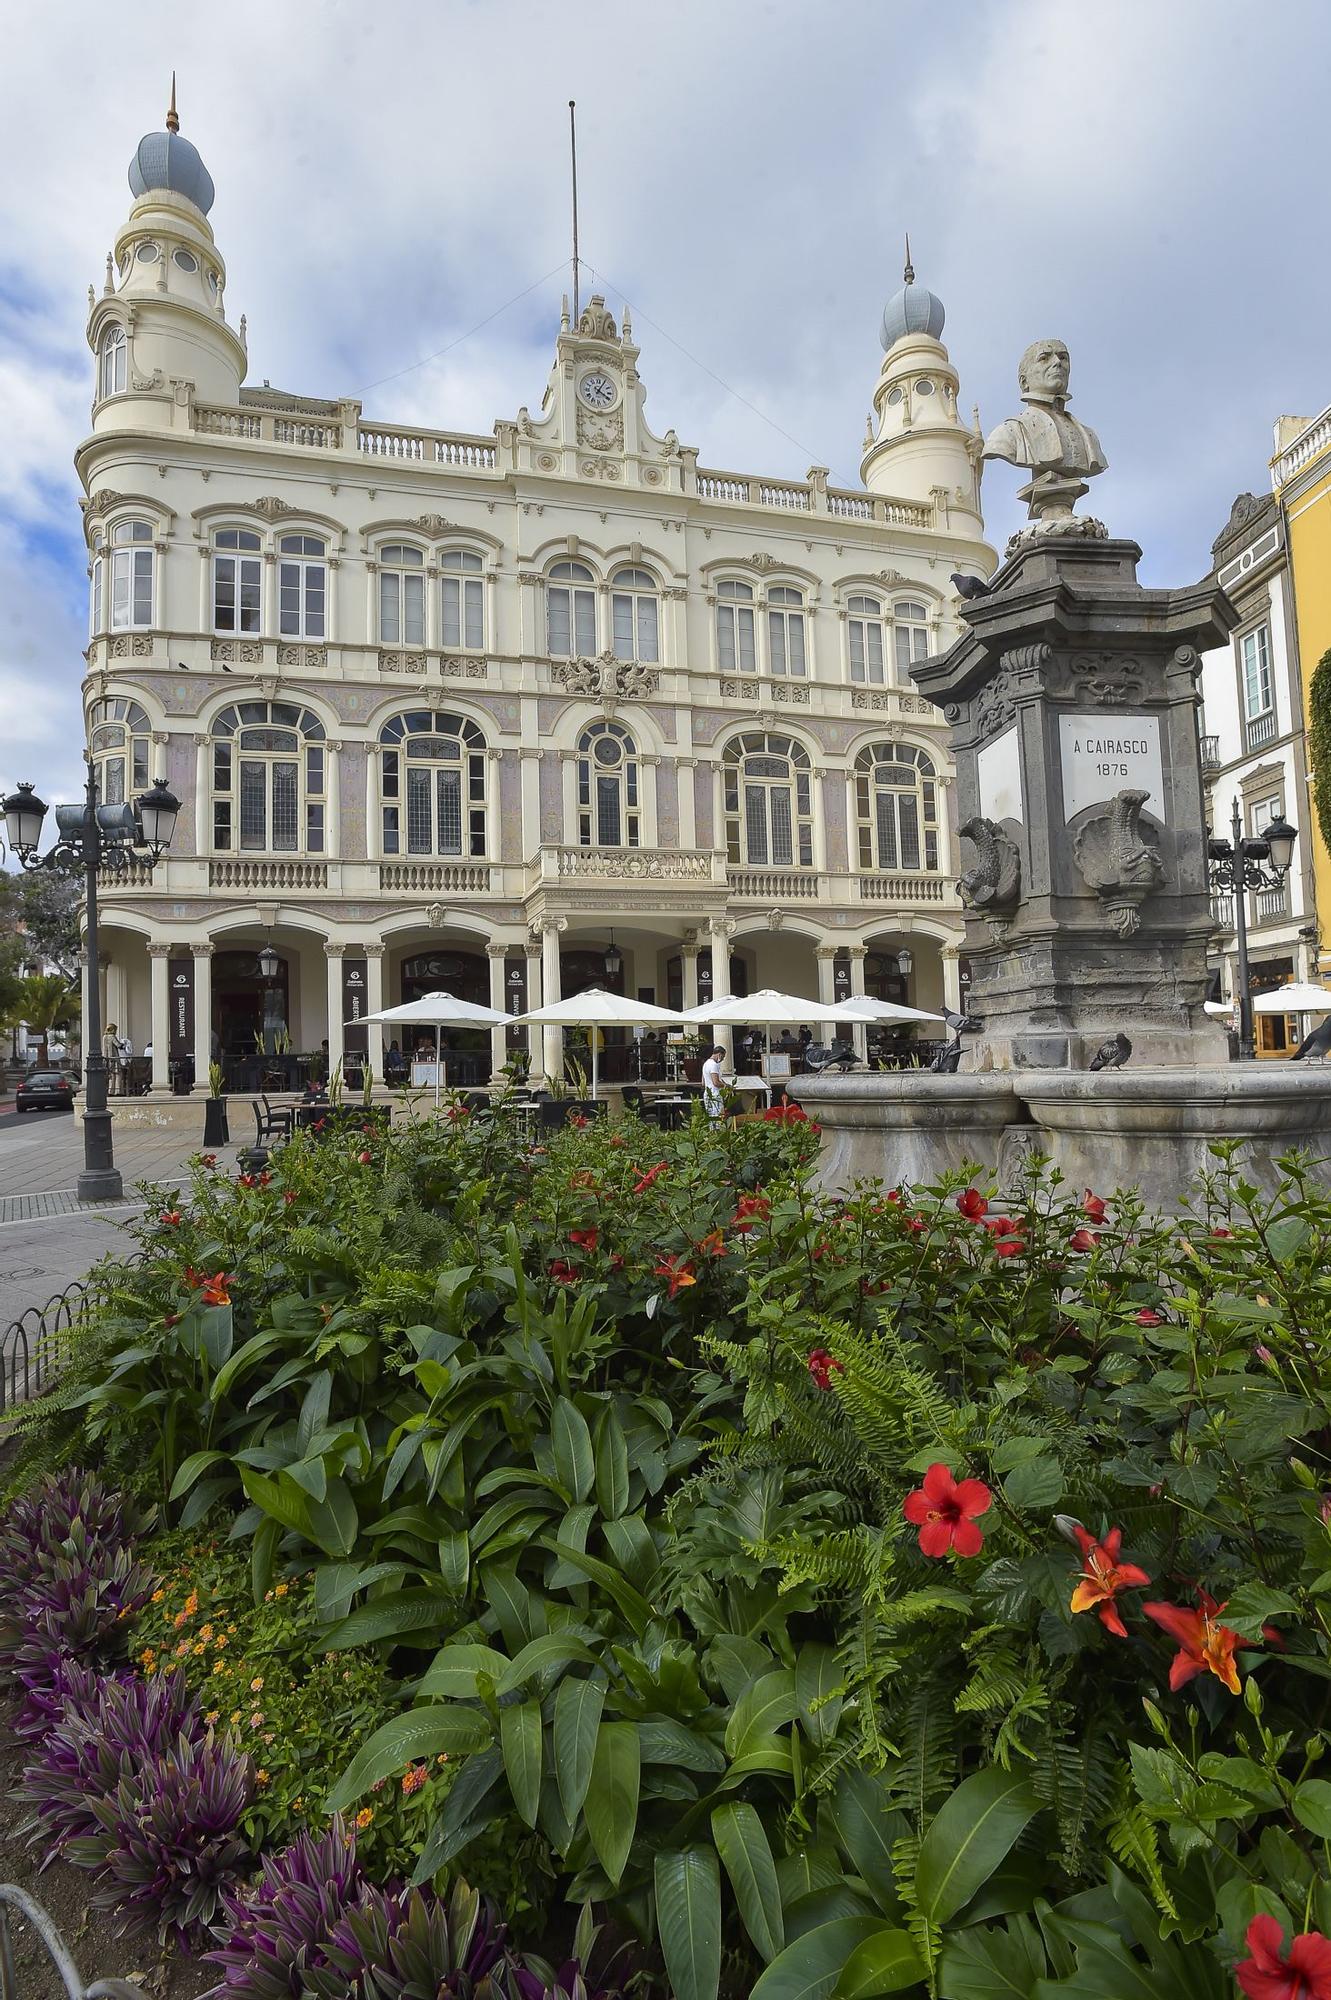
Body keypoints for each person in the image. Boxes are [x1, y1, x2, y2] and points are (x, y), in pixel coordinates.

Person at [701, 1043, 731, 1122]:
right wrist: (726, 1085)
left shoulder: (705, 1064)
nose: (723, 1059)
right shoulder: (713, 1065)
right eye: (723, 1057)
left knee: (711, 1119)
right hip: (715, 1094)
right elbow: (716, 1082)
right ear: (719, 1054)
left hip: (707, 1093)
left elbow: (703, 1083)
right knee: (718, 1118)